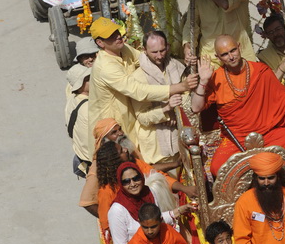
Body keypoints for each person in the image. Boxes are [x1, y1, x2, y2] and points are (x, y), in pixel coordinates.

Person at [193, 38, 285, 175]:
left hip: (268, 133)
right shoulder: (216, 78)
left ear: (239, 46)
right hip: (236, 139)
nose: (231, 57)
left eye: (233, 50)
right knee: (218, 167)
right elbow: (196, 107)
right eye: (225, 54)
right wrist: (203, 81)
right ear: (217, 57)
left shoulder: (260, 70)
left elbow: (281, 97)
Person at [87, 17, 196, 156]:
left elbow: (147, 60)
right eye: (111, 36)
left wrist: (182, 63)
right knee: (120, 164)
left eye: (117, 32)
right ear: (100, 43)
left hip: (131, 117)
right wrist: (178, 87)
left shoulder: (123, 48)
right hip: (112, 127)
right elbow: (137, 89)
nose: (118, 37)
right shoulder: (105, 66)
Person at [131, 30, 186, 167]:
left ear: (167, 46)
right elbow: (142, 118)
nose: (160, 56)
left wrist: (175, 112)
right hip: (157, 149)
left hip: (181, 138)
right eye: (154, 52)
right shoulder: (138, 77)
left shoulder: (177, 66)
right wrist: (166, 109)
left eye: (162, 50)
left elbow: (188, 96)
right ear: (144, 50)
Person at [108, 162, 182, 244]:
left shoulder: (149, 193)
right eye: (126, 181)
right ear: (120, 184)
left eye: (136, 178)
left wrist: (181, 210)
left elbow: (157, 219)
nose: (133, 184)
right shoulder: (117, 210)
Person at [182, 0, 256, 66]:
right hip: (210, 58)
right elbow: (191, 25)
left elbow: (226, 4)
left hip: (238, 54)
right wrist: (188, 48)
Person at [65, 64, 90, 177]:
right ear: (80, 86)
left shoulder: (71, 100)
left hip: (84, 160)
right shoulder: (89, 108)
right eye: (88, 79)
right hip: (95, 162)